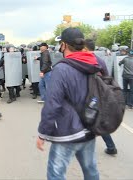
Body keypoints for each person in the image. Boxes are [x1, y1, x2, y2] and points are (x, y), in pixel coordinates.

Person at [36, 28, 100, 179]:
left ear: (64, 45)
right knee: (91, 171)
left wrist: (43, 133)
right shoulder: (94, 62)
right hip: (89, 127)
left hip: (68, 132)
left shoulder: (62, 69)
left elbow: (52, 104)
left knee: (55, 174)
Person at [85, 39, 118, 155]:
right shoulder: (100, 60)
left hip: (88, 96)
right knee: (98, 120)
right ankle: (111, 147)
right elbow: (107, 76)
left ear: (85, 48)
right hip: (99, 94)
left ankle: (82, 149)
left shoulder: (83, 60)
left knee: (86, 119)